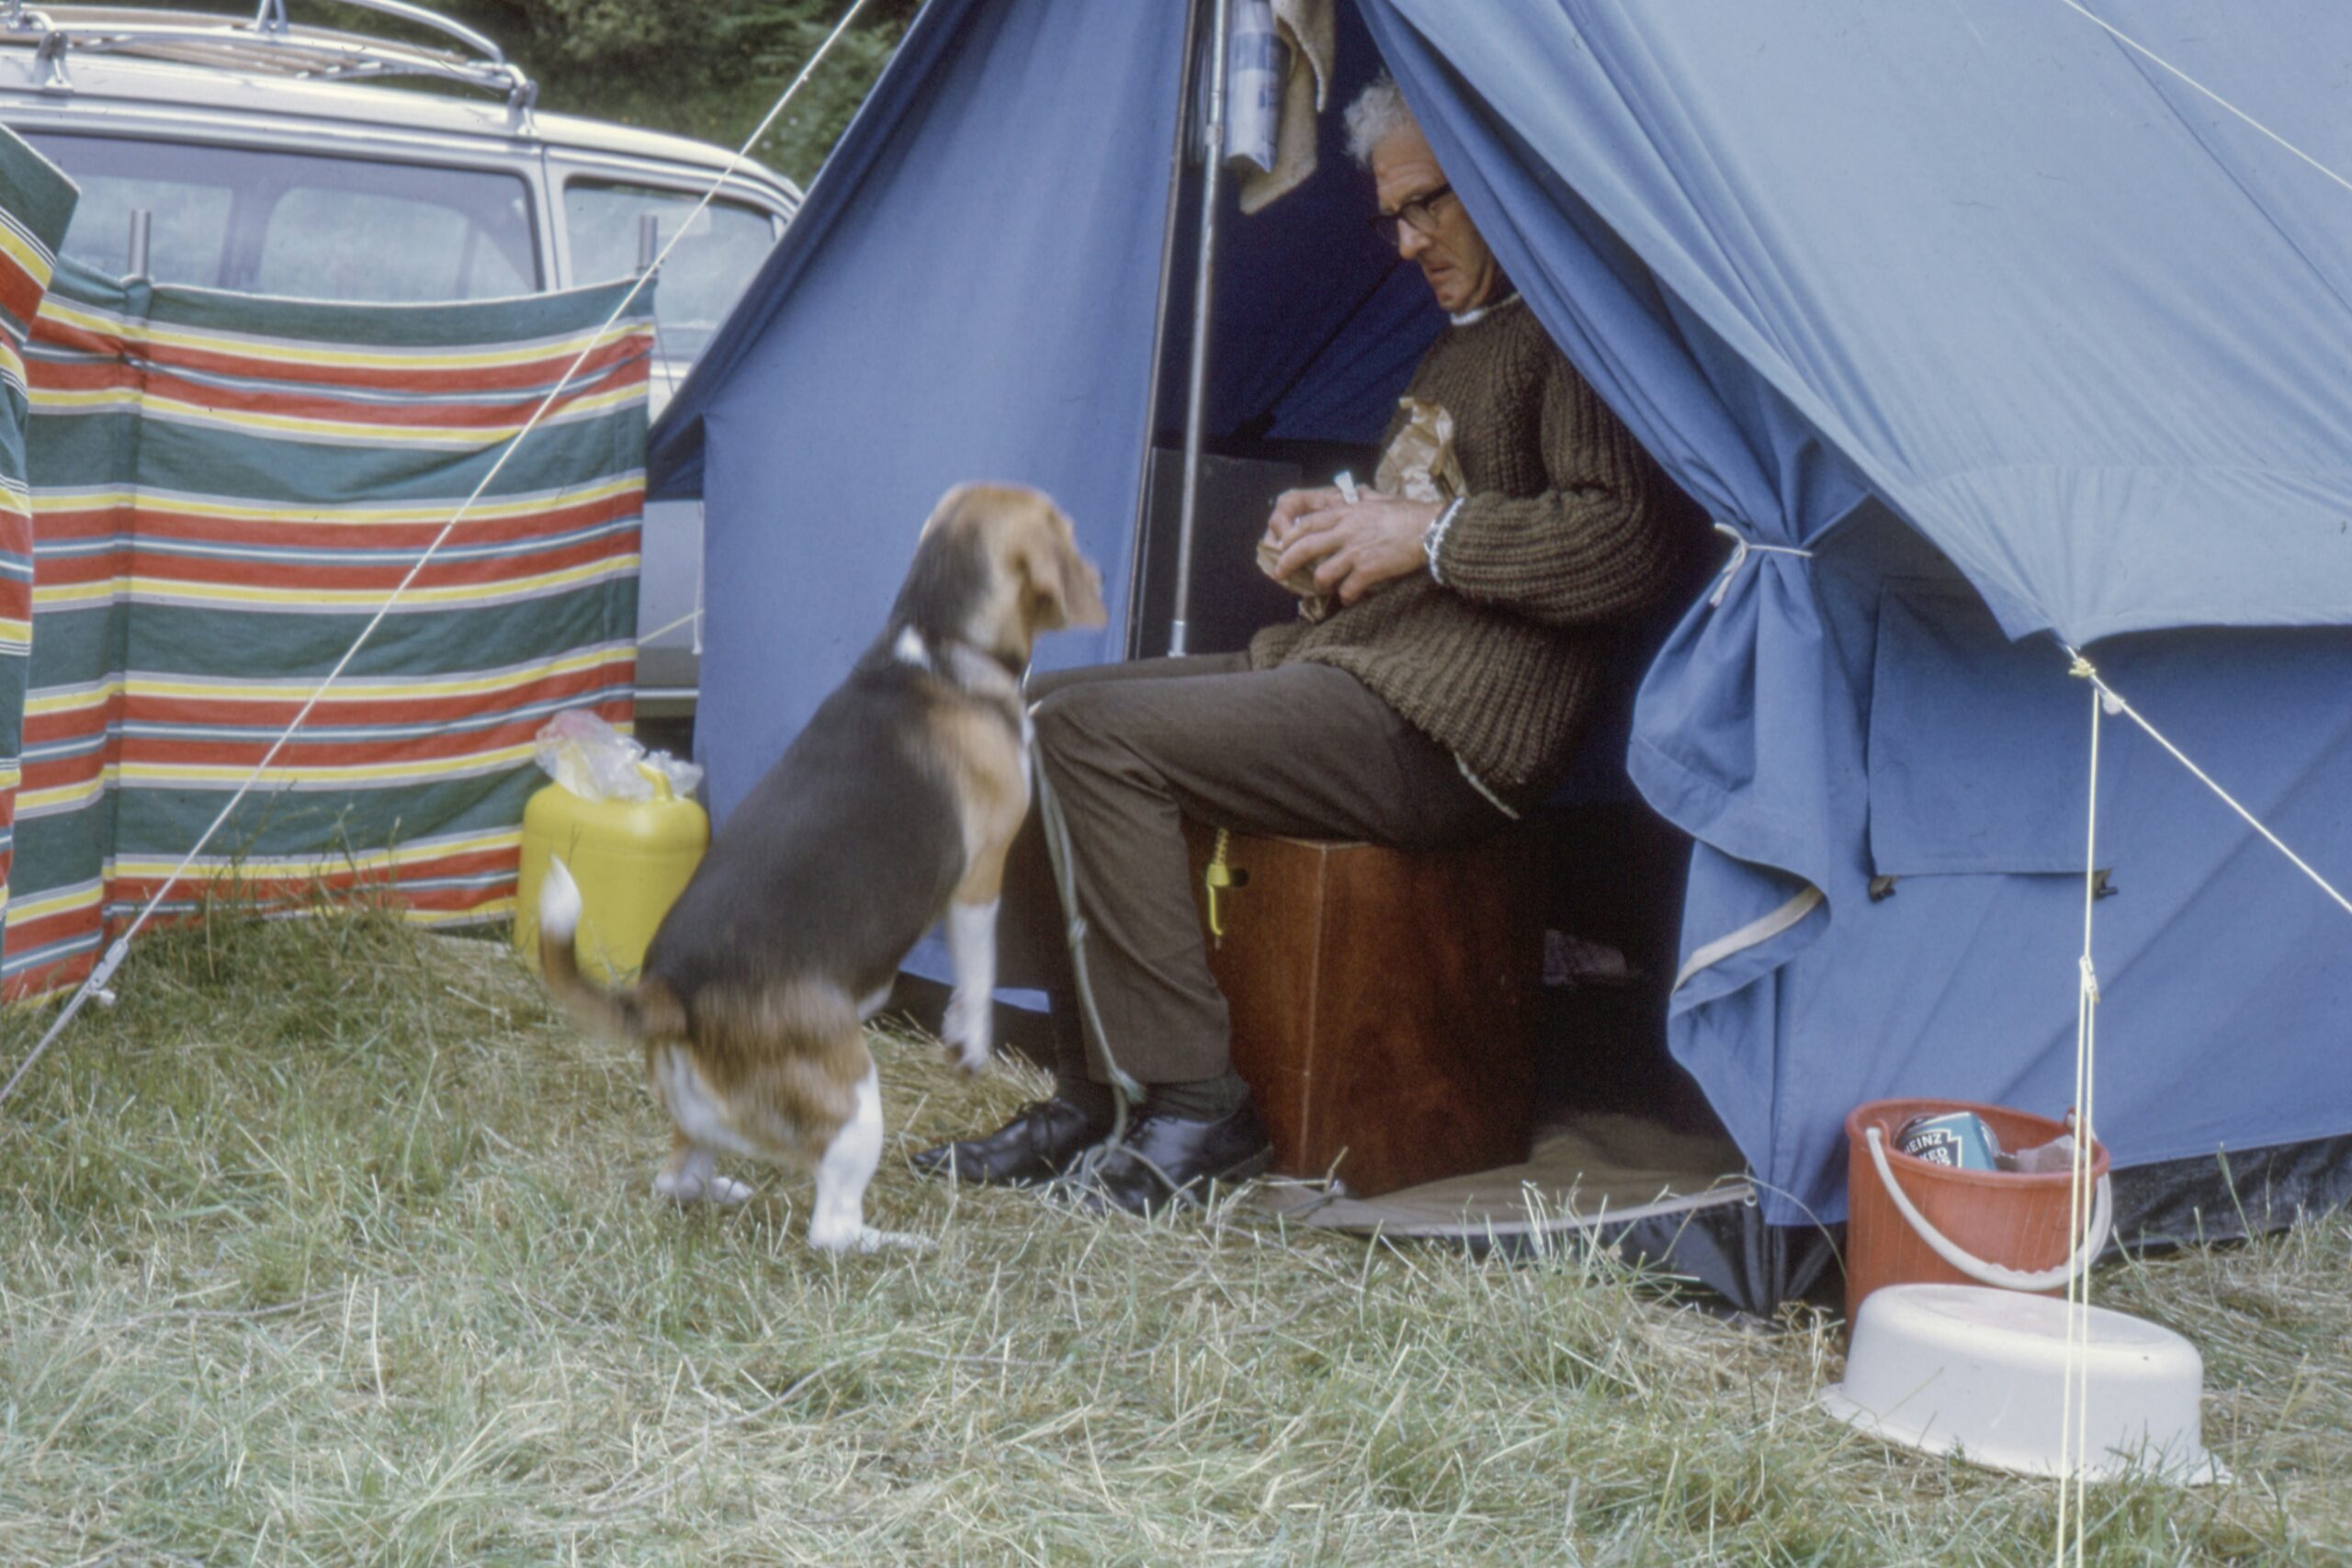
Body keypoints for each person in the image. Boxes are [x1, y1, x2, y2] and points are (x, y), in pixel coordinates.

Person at [912, 74, 1702, 1213]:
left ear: (1501, 188)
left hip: (1446, 732)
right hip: (1356, 674)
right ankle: (1095, 1098)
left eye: (1426, 205)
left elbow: (1628, 542)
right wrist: (1328, 548)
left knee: (1086, 734)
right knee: (1033, 711)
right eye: (1392, 215)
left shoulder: (1568, 338)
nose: (1403, 241)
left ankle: (1196, 1108)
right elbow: (1414, 544)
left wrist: (1418, 534)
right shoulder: (1453, 350)